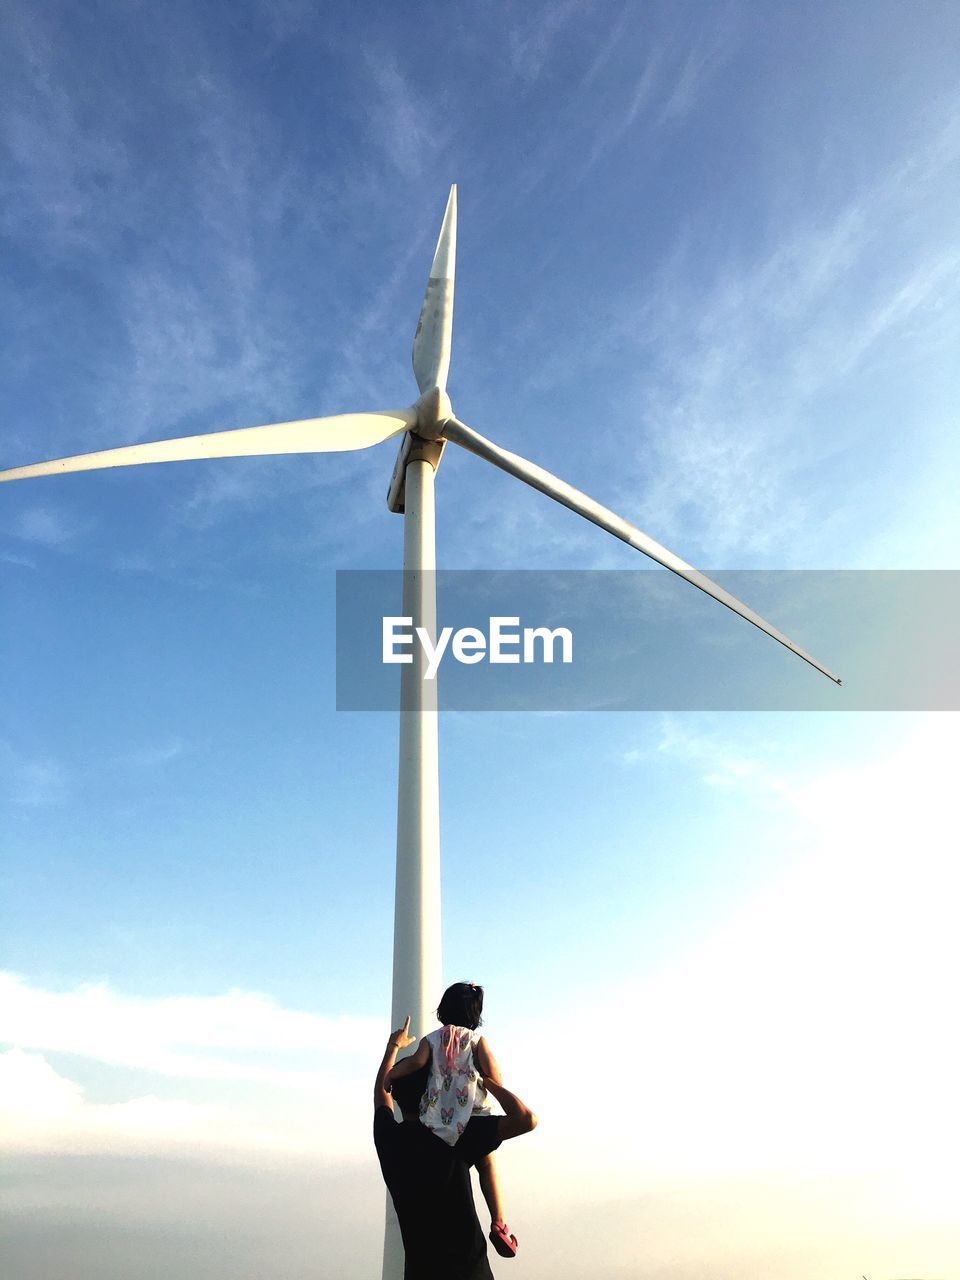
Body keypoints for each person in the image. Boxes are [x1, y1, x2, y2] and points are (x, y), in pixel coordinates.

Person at [374, 1015, 537, 1280]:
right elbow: (525, 1119)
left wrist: (393, 1048)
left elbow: (381, 1095)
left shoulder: (388, 1140)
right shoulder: (453, 1134)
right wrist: (488, 1081)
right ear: (432, 1088)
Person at [386, 983, 518, 1258]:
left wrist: (391, 1075)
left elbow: (415, 1064)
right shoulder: (477, 1042)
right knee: (487, 1164)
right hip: (473, 1115)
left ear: (443, 1010)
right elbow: (495, 1076)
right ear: (475, 1014)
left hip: (438, 1119)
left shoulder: (431, 1040)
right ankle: (499, 1223)